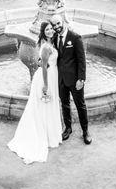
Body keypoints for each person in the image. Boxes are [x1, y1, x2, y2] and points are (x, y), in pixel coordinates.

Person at [7, 21, 62, 164]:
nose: (50, 31)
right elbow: (43, 67)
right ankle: (44, 136)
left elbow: (43, 61)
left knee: (49, 106)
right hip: (46, 78)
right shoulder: (45, 46)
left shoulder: (52, 43)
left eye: (51, 29)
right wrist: (45, 85)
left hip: (53, 75)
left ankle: (51, 135)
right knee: (42, 107)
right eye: (48, 29)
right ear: (43, 32)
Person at [50, 15, 92, 145]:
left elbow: (81, 60)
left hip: (75, 79)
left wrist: (81, 79)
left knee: (80, 105)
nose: (57, 27)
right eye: (54, 25)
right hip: (61, 79)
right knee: (65, 104)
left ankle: (85, 131)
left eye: (58, 23)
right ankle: (68, 128)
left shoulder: (75, 37)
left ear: (63, 22)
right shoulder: (54, 38)